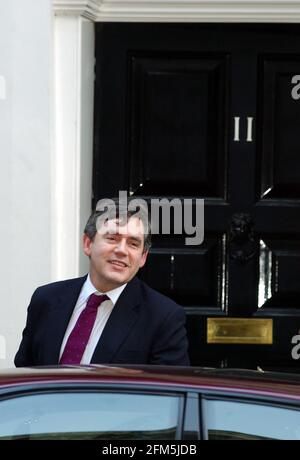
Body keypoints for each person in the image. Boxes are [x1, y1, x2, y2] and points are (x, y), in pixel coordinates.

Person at [15, 198, 189, 367]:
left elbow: (166, 392)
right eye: (112, 238)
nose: (122, 250)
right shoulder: (46, 299)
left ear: (143, 257)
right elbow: (25, 377)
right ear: (88, 243)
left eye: (133, 244)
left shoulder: (163, 318)